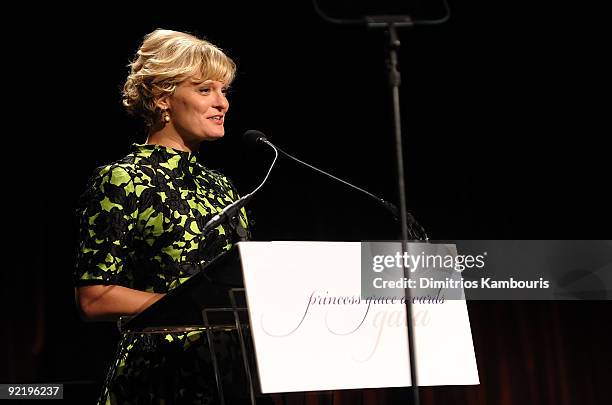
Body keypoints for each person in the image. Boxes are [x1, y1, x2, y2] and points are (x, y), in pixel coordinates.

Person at [74, 28, 250, 404]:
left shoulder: (223, 186)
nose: (222, 103)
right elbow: (94, 298)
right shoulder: (124, 178)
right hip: (160, 377)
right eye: (205, 90)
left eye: (224, 91)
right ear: (162, 98)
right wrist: (192, 306)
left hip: (230, 376)